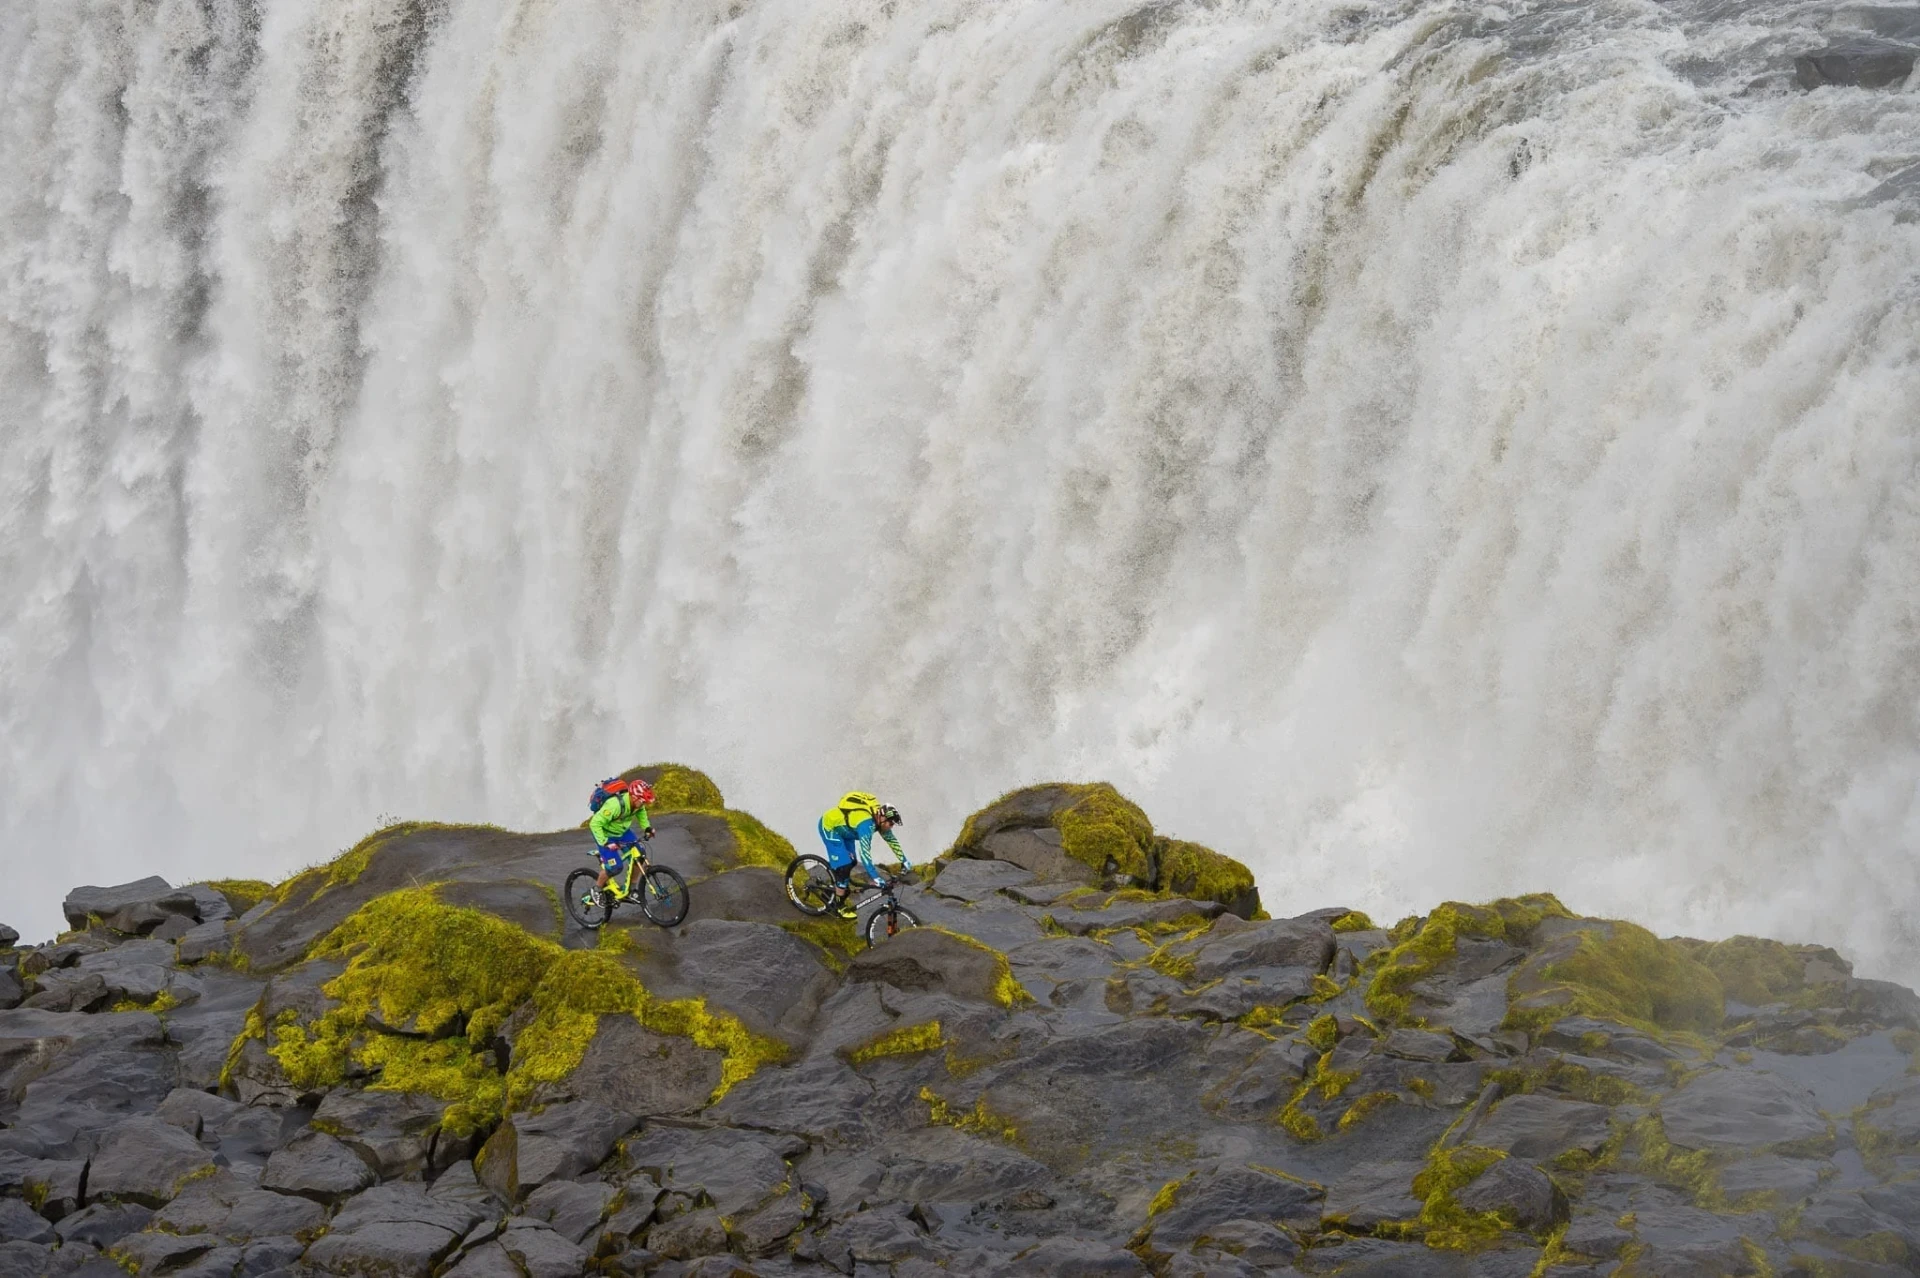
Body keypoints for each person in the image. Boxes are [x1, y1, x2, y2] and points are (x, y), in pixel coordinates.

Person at [818, 792, 909, 918]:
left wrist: (904, 860)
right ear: (882, 818)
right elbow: (865, 853)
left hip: (846, 831)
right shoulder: (866, 825)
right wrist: (875, 877)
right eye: (891, 823)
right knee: (844, 866)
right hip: (830, 827)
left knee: (852, 862)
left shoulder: (879, 821)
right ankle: (837, 906)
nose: (891, 827)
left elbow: (891, 841)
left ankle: (836, 886)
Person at [590, 779, 655, 896]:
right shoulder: (614, 806)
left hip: (622, 832)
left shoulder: (637, 804)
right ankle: (596, 890)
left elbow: (641, 812)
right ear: (634, 798)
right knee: (615, 867)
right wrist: (605, 843)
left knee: (640, 856)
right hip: (606, 835)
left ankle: (632, 888)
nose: (644, 804)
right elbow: (594, 823)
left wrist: (647, 828)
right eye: (643, 801)